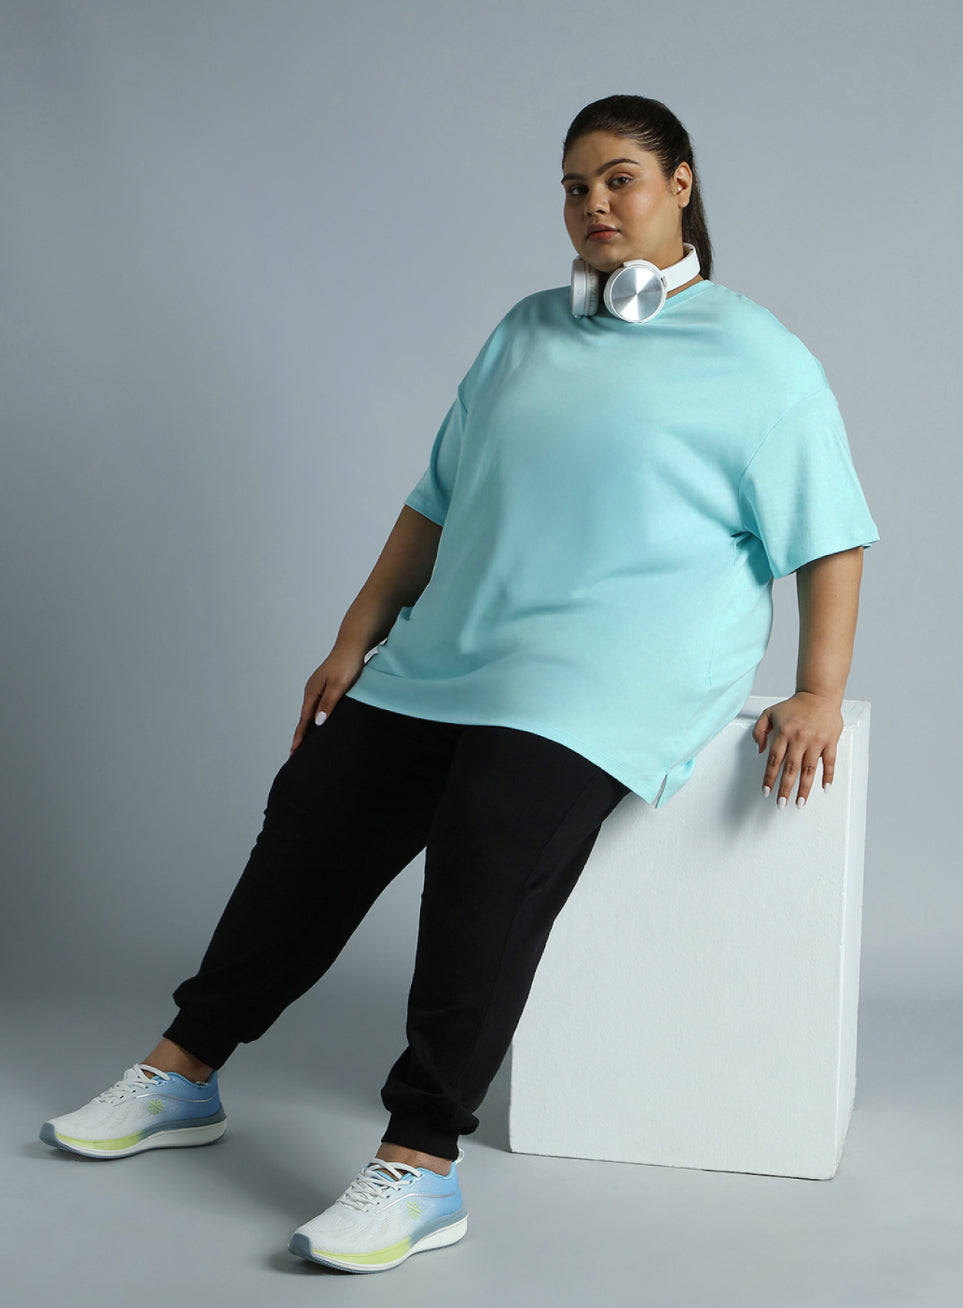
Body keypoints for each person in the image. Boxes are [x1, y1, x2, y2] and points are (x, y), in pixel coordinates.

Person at [39, 94, 880, 1274]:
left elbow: (828, 537)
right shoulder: (526, 330)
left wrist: (818, 690)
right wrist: (357, 637)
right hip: (460, 649)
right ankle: (184, 1071)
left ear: (681, 185)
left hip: (615, 667)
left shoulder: (759, 357)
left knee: (490, 835)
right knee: (316, 807)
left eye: (621, 178)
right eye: (575, 185)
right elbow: (434, 500)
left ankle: (421, 1162)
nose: (594, 203)